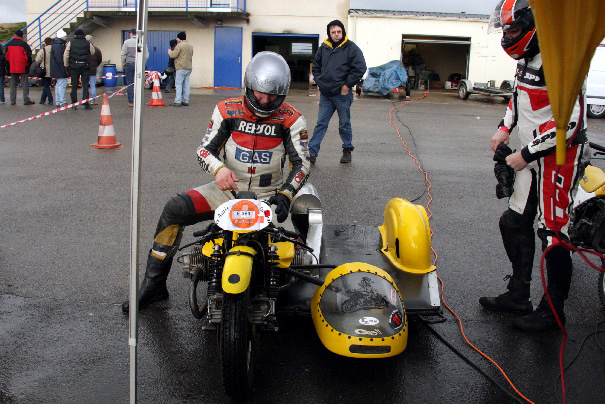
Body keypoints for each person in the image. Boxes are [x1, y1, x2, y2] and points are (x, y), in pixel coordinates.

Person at [121, 51, 310, 312]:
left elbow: (302, 164)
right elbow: (204, 150)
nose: (265, 100)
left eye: (273, 95)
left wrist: (287, 194)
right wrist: (219, 170)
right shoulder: (226, 109)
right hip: (227, 192)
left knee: (297, 256)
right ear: (249, 85)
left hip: (271, 196)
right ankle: (153, 284)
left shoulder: (293, 118)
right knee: (174, 209)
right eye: (260, 93)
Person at [479, 0, 591, 332]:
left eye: (513, 29)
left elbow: (570, 122)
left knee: (553, 234)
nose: (508, 36)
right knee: (513, 222)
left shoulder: (562, 61)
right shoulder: (527, 58)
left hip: (560, 159)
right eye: (505, 29)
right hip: (531, 159)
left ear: (533, 26)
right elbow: (518, 97)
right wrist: (504, 128)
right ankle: (518, 294)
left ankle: (553, 313)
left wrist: (526, 154)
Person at [308, 19, 366, 164]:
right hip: (326, 94)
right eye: (333, 32)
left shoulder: (351, 48)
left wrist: (347, 85)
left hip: (342, 94)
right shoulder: (323, 48)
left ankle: (347, 150)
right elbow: (316, 67)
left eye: (339, 32)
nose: (336, 34)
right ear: (329, 33)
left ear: (343, 32)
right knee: (321, 124)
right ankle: (312, 153)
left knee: (344, 124)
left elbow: (360, 68)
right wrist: (320, 82)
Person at [63, 28, 95, 110]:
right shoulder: (87, 43)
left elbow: (66, 55)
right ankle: (86, 103)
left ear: (75, 35)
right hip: (85, 66)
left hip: (74, 66)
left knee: (74, 86)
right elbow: (93, 52)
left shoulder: (71, 42)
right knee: (85, 85)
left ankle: (74, 104)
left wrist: (66, 65)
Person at [5, 30, 34, 106]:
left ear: (15, 35)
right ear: (22, 35)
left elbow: (7, 57)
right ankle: (26, 99)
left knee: (13, 84)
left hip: (12, 66)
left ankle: (12, 100)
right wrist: (28, 65)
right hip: (23, 66)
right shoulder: (24, 44)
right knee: (24, 83)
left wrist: (8, 67)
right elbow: (28, 57)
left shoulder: (9, 44)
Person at [121, 28, 148, 107]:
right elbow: (146, 55)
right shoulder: (142, 42)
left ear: (132, 34)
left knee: (130, 83)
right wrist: (142, 63)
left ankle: (131, 101)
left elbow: (123, 54)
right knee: (139, 82)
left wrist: (124, 63)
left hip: (129, 64)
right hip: (138, 64)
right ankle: (138, 101)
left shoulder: (127, 42)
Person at [168, 31, 193, 107]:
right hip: (189, 67)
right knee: (186, 84)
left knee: (178, 84)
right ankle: (186, 100)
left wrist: (170, 52)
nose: (177, 39)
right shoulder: (190, 45)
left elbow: (173, 55)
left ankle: (177, 101)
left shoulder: (179, 45)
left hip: (181, 67)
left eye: (178, 38)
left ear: (180, 38)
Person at [51, 29, 69, 107]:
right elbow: (60, 59)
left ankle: (58, 101)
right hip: (60, 68)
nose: (66, 37)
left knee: (58, 85)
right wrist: (64, 68)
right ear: (61, 37)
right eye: (65, 36)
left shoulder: (55, 45)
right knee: (62, 85)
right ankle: (62, 101)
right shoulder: (60, 46)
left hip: (56, 68)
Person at [84, 35, 102, 105]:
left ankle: (84, 100)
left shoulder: (82, 49)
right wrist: (95, 66)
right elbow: (99, 60)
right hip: (93, 70)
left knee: (84, 85)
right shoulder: (96, 50)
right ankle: (93, 100)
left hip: (84, 69)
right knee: (92, 85)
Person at [34, 37, 53, 105]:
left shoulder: (43, 50)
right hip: (52, 70)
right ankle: (42, 100)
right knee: (47, 85)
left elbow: (37, 60)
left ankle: (50, 99)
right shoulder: (54, 50)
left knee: (46, 86)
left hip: (44, 70)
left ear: (45, 43)